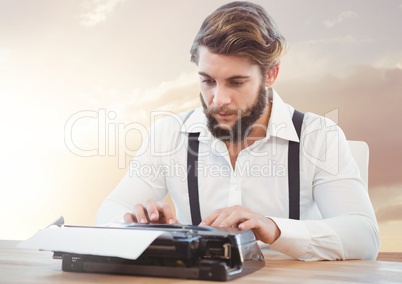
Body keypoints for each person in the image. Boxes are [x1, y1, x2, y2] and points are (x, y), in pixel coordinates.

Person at [96, 1, 380, 261]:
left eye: (235, 82)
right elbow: (108, 214)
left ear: (270, 74)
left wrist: (274, 229)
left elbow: (363, 236)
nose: (218, 99)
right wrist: (136, 226)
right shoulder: (169, 135)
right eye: (208, 81)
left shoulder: (319, 137)